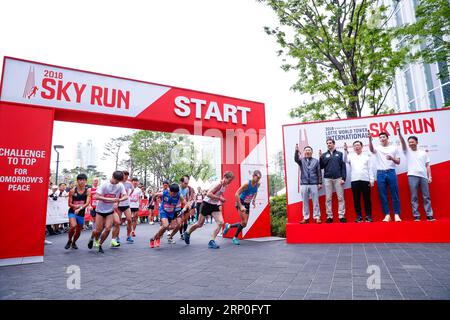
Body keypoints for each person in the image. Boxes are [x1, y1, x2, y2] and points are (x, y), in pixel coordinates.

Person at [184, 171, 235, 249]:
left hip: (214, 205)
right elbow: (208, 194)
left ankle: (212, 241)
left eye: (231, 181)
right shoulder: (218, 184)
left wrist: (220, 199)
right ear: (225, 178)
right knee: (199, 224)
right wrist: (219, 198)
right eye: (229, 180)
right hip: (206, 204)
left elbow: (218, 193)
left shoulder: (225, 185)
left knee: (221, 222)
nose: (230, 182)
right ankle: (187, 232)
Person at [398, 128, 435, 221]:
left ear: (417, 142)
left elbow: (427, 165)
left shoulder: (423, 152)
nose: (411, 143)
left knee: (426, 196)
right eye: (409, 142)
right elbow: (402, 142)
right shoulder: (407, 151)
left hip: (423, 176)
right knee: (414, 196)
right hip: (412, 176)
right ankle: (416, 216)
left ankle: (429, 215)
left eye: (412, 142)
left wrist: (429, 176)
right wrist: (399, 132)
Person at [88, 171, 128, 253]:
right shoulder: (104, 184)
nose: (116, 183)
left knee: (108, 228)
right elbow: (96, 196)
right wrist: (110, 199)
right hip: (100, 210)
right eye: (116, 181)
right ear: (112, 177)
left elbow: (126, 196)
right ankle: (92, 237)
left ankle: (100, 244)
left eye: (118, 181)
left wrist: (119, 200)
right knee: (98, 230)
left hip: (110, 211)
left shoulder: (120, 185)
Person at [368, 130, 401, 222]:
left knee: (395, 194)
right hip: (380, 173)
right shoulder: (377, 148)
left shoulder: (394, 148)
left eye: (384, 137)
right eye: (380, 138)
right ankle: (387, 215)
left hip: (391, 172)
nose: (382, 139)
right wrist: (370, 140)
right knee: (383, 195)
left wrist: (392, 158)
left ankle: (396, 214)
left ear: (387, 138)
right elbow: (371, 149)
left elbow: (398, 162)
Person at [223, 170, 262, 245]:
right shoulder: (247, 184)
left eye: (259, 178)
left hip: (247, 204)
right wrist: (240, 206)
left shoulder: (258, 184)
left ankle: (229, 226)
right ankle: (235, 237)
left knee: (244, 224)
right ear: (253, 176)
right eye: (257, 177)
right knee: (243, 222)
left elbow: (255, 191)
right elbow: (236, 194)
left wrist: (253, 200)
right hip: (241, 202)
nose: (258, 179)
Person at [343, 141, 374, 223]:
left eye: (358, 145)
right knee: (356, 199)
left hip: (365, 180)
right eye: (355, 146)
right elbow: (344, 160)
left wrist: (371, 180)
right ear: (353, 148)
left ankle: (368, 216)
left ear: (362, 146)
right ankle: (359, 216)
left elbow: (370, 169)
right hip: (354, 180)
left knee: (367, 199)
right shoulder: (350, 156)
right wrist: (345, 151)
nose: (357, 147)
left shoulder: (366, 156)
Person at [149, 183, 186, 248]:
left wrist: (185, 207)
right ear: (170, 191)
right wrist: (153, 202)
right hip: (163, 211)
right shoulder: (164, 193)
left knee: (167, 227)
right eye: (173, 193)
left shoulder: (179, 195)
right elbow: (156, 195)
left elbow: (185, 202)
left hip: (171, 213)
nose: (174, 195)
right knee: (165, 225)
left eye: (176, 193)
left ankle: (154, 238)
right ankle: (154, 239)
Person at [319, 138, 347, 223]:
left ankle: (341, 216)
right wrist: (320, 158)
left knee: (340, 197)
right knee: (328, 198)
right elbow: (321, 167)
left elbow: (343, 166)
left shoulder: (340, 154)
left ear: (333, 144)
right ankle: (329, 216)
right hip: (327, 178)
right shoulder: (324, 155)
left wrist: (343, 178)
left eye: (330, 143)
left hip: (338, 178)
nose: (329, 144)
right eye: (327, 143)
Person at [293, 144, 322, 224]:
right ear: (304, 152)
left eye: (309, 150)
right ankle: (306, 217)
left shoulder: (316, 161)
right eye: (306, 150)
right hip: (304, 183)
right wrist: (296, 151)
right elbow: (296, 159)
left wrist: (319, 182)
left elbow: (319, 172)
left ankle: (317, 217)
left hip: (313, 183)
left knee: (315, 202)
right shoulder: (301, 161)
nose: (307, 151)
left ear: (311, 152)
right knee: (305, 202)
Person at [65, 174, 91, 250]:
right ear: (77, 181)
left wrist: (79, 208)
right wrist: (75, 206)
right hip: (72, 211)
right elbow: (69, 204)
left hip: (81, 213)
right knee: (73, 226)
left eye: (83, 180)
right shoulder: (72, 191)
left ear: (86, 181)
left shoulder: (87, 191)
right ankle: (69, 240)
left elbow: (87, 203)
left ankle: (73, 242)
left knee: (79, 230)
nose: (82, 181)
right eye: (80, 180)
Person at [112, 170, 134, 245]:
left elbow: (132, 189)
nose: (126, 177)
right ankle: (117, 237)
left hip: (126, 204)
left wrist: (128, 196)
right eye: (125, 175)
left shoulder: (129, 183)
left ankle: (128, 236)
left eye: (127, 176)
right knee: (118, 222)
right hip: (119, 205)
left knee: (129, 220)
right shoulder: (118, 183)